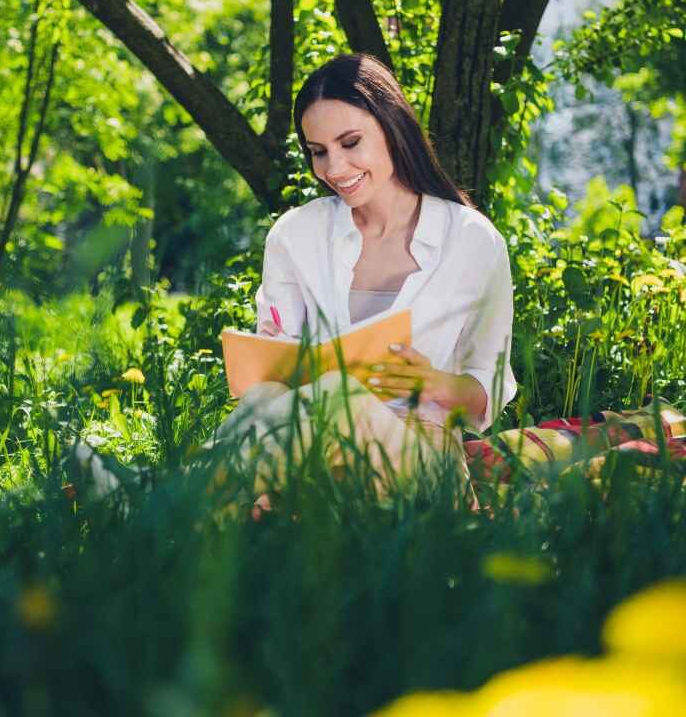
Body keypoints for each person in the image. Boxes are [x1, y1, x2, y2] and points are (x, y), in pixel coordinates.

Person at [216, 52, 517, 507]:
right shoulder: (296, 235)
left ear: (392, 127)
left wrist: (431, 383)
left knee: (340, 394)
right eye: (319, 152)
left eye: (350, 142)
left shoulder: (473, 241)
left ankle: (163, 497)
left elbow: (488, 391)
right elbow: (273, 375)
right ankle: (208, 502)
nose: (334, 169)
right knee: (264, 400)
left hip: (420, 463)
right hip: (309, 455)